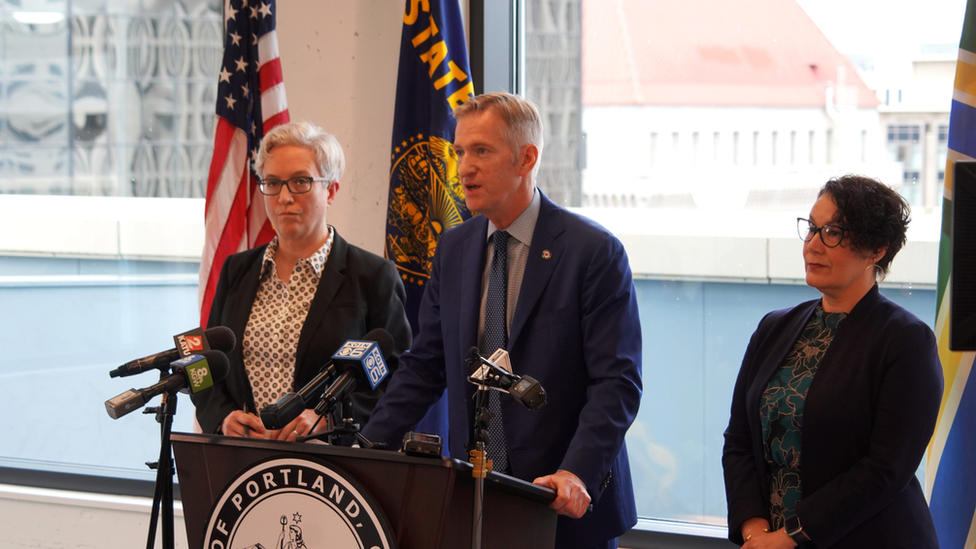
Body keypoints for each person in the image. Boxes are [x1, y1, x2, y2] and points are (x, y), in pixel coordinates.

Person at [361, 92, 643, 549]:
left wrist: (576, 472)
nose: (463, 168)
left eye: (481, 151)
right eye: (459, 152)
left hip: (560, 505)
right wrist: (365, 449)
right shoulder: (453, 249)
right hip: (472, 502)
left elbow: (617, 382)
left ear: (526, 158)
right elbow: (426, 365)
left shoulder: (592, 252)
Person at [722, 175, 943, 548]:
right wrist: (755, 529)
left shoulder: (906, 340)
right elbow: (739, 441)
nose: (812, 245)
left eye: (833, 232)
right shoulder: (774, 327)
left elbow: (885, 470)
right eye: (811, 228)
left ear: (876, 250)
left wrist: (790, 537)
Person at [192, 120, 412, 442]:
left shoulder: (371, 276)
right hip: (245, 460)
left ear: (331, 190)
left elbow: (395, 378)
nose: (284, 197)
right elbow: (204, 367)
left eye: (300, 182)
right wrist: (222, 417)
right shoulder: (235, 270)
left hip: (330, 466)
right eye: (273, 183)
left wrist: (330, 418)